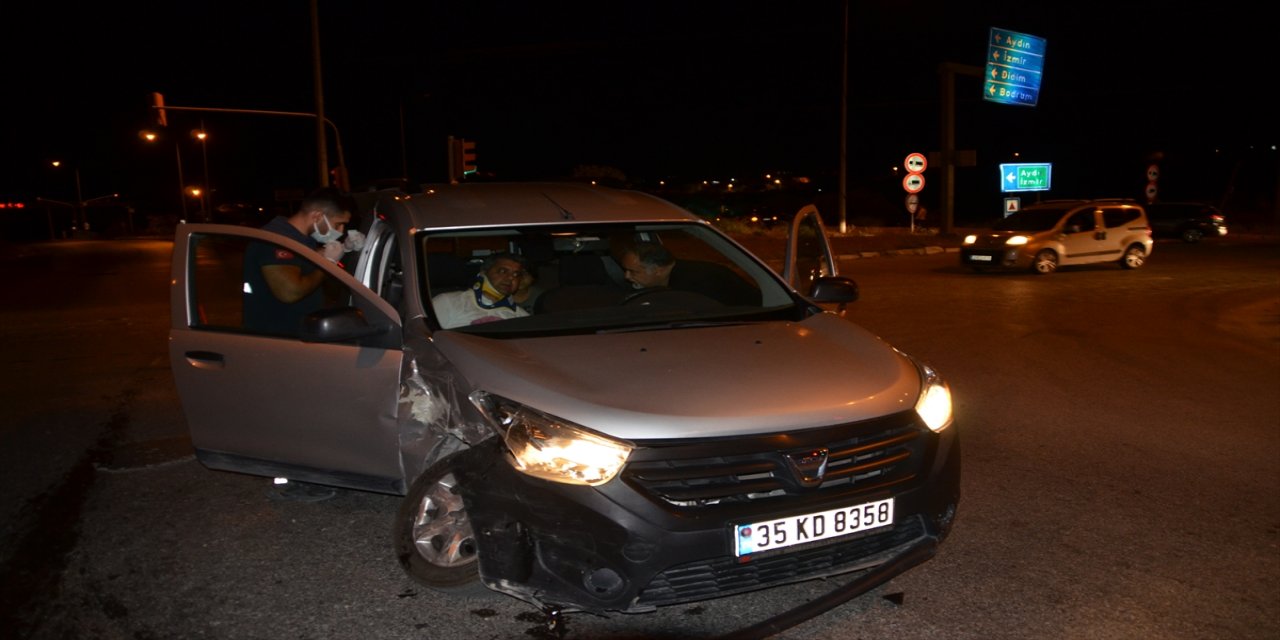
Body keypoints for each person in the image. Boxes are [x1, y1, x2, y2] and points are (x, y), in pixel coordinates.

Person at [243, 188, 356, 336]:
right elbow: (290, 292)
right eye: (338, 224)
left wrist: (346, 248)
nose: (341, 231)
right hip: (277, 339)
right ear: (317, 216)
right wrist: (328, 263)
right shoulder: (276, 240)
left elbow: (307, 267)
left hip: (298, 335)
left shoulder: (302, 239)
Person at [620, 240, 761, 306]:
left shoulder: (697, 285)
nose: (626, 276)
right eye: (625, 270)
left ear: (658, 270)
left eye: (633, 272)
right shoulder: (676, 275)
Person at [431, 252, 531, 328]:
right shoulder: (448, 302)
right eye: (503, 271)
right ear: (484, 273)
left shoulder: (521, 317)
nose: (510, 278)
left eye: (516, 274)